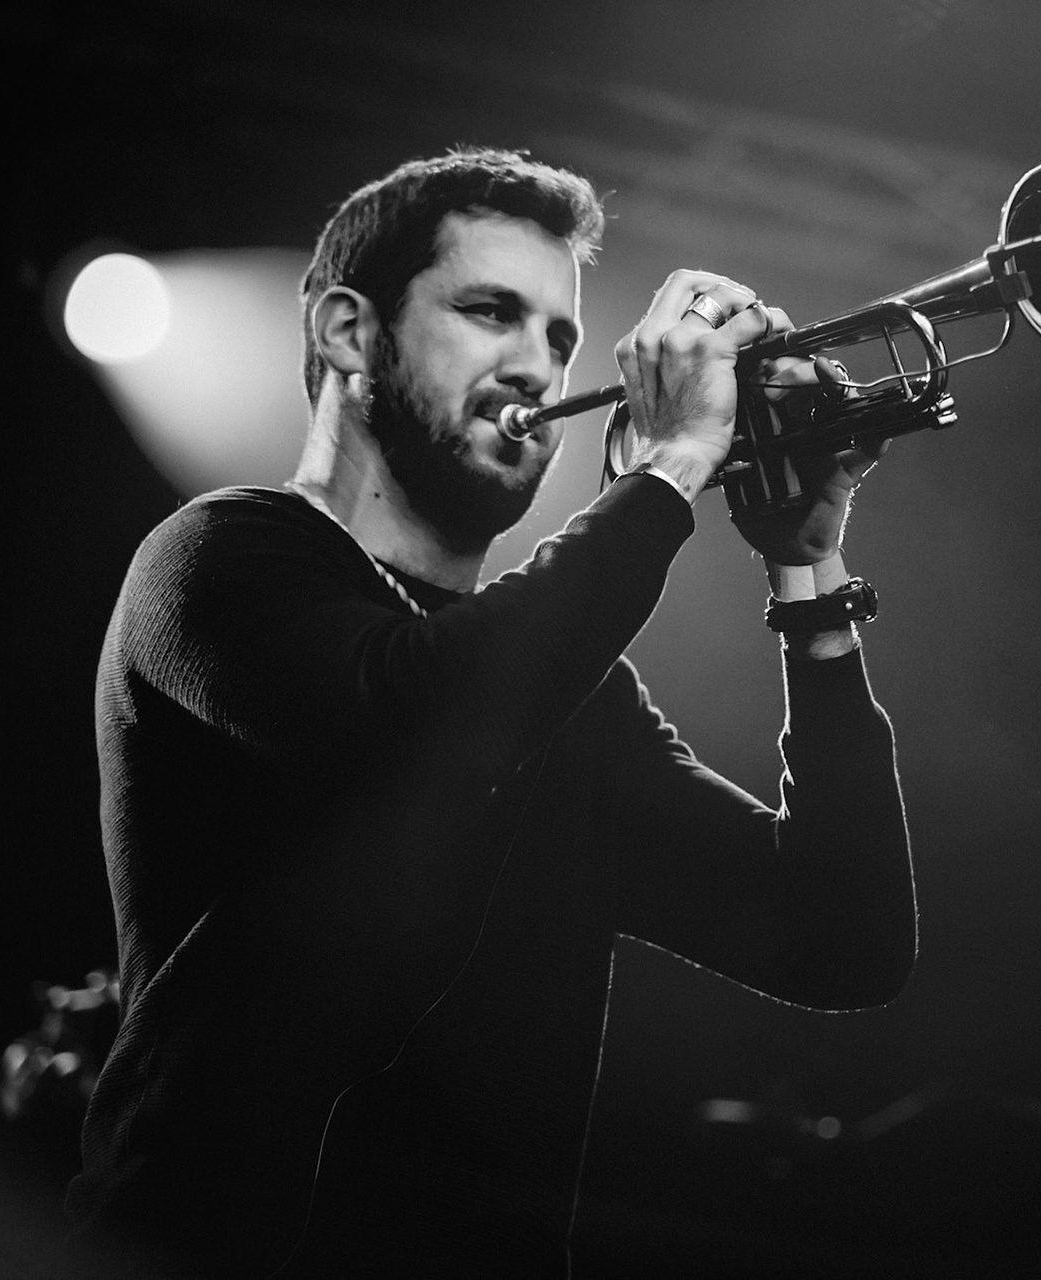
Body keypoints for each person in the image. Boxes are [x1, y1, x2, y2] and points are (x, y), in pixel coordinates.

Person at [65, 146, 915, 1278]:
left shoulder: (577, 699)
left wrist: (810, 579)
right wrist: (660, 472)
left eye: (560, 338)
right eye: (489, 313)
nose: (536, 365)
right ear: (345, 334)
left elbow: (840, 940)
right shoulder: (218, 559)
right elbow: (418, 725)